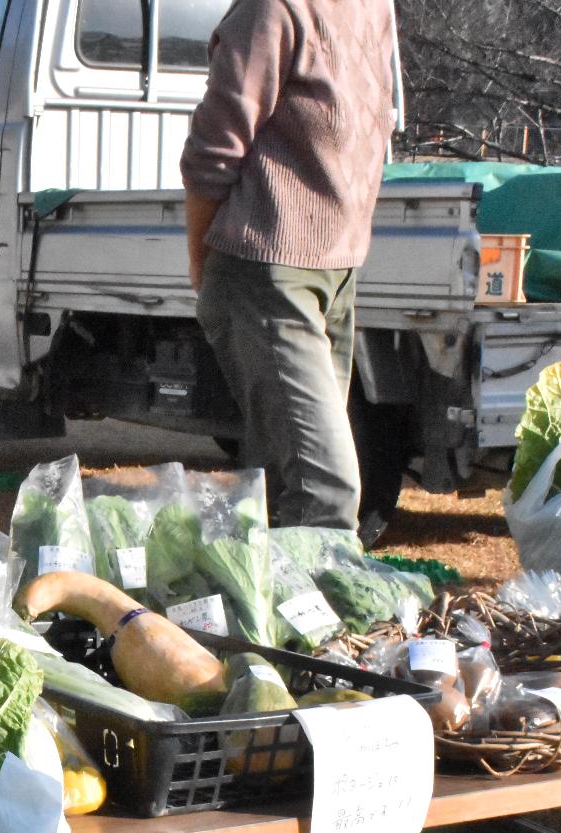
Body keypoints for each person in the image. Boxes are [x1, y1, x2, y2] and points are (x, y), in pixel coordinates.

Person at [180, 0, 396, 531]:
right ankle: (312, 614)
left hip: (339, 269)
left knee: (288, 481)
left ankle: (263, 607)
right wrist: (199, 259)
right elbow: (212, 152)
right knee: (325, 494)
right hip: (267, 269)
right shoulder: (272, 8)